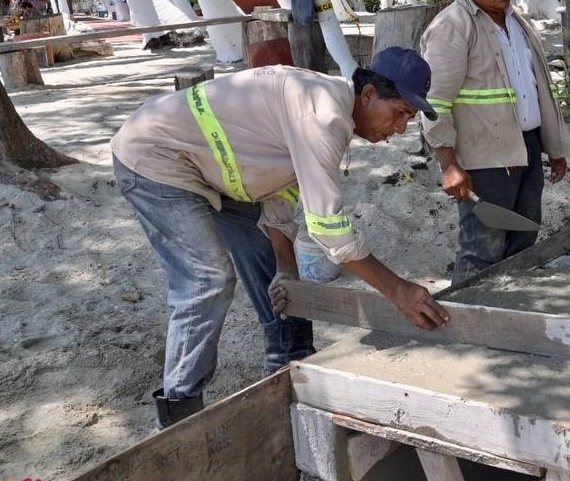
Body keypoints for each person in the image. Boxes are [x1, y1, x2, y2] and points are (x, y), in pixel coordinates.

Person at [111, 47, 449, 427]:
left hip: (217, 174)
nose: (401, 128)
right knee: (207, 280)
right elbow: (328, 229)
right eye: (401, 112)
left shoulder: (325, 109)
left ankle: (290, 358)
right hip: (156, 157)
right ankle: (179, 411)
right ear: (368, 94)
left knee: (275, 274)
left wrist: (286, 270)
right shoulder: (323, 115)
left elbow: (280, 193)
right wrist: (398, 291)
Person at [420, 0, 570, 284]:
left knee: (523, 240)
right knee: (482, 251)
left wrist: (553, 149)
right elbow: (434, 103)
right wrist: (448, 164)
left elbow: (536, 91)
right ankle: (469, 328)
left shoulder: (516, 22)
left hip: (526, 150)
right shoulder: (453, 27)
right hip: (485, 161)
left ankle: (510, 315)